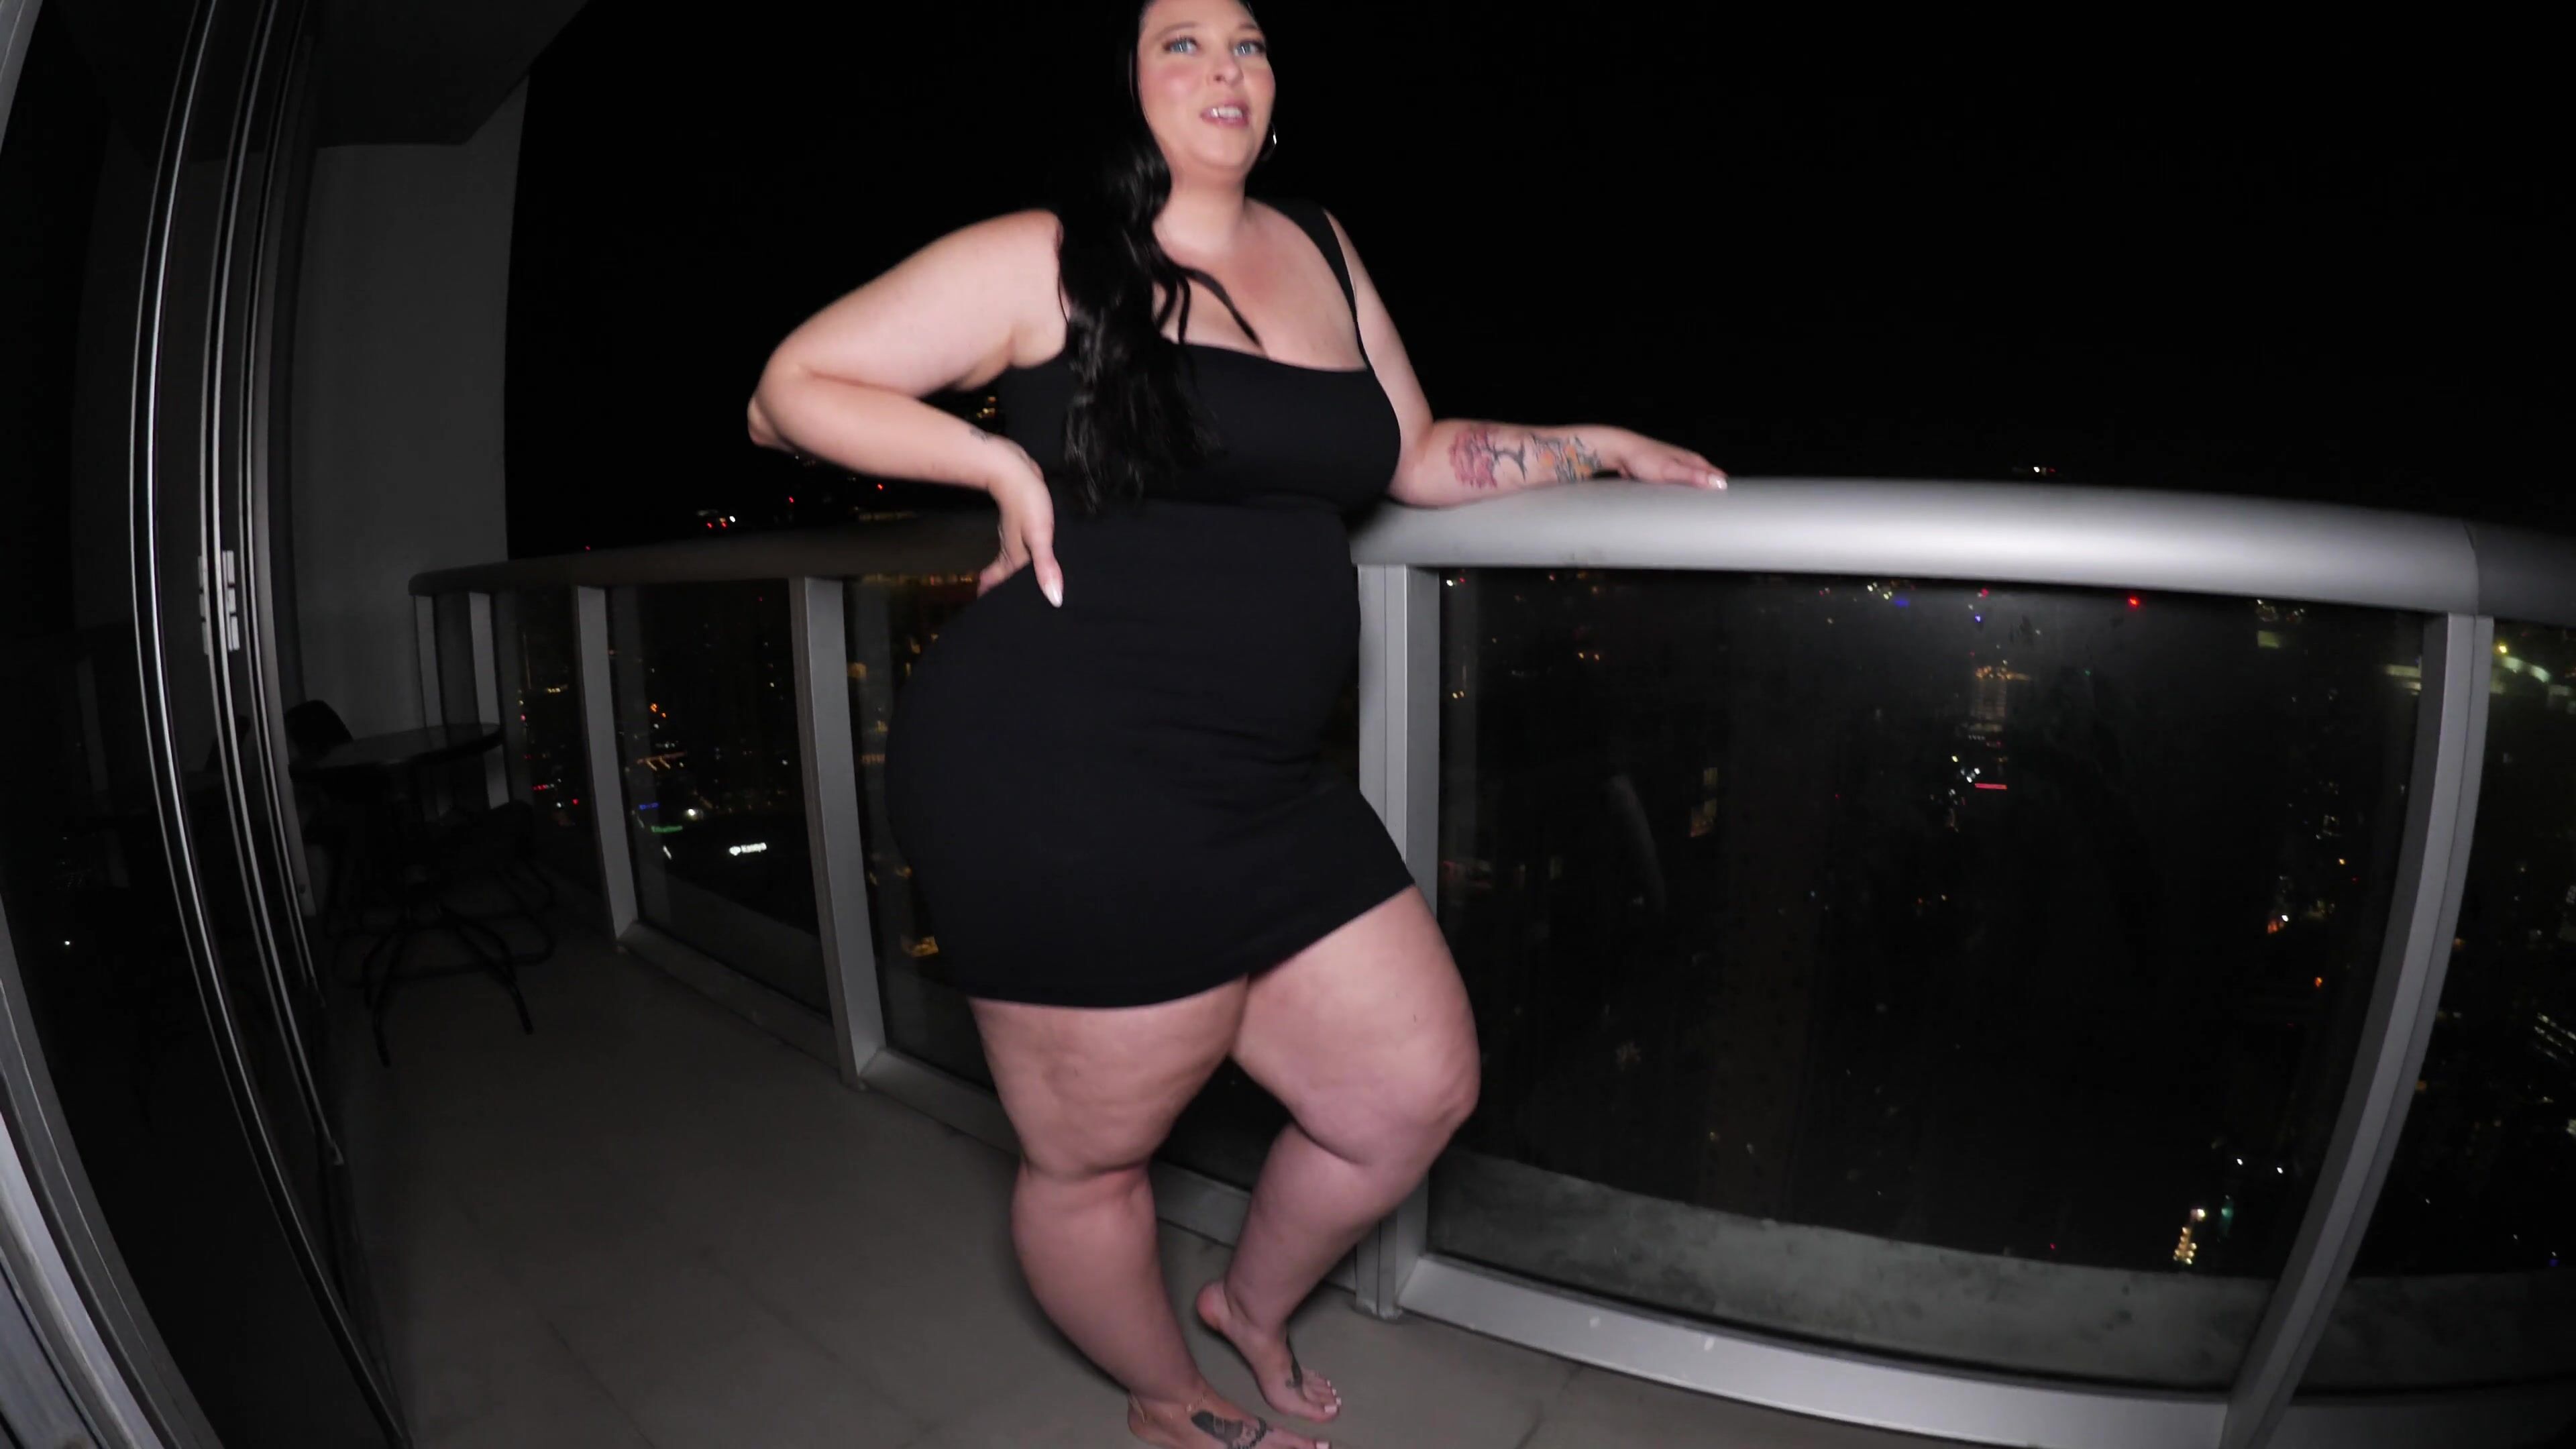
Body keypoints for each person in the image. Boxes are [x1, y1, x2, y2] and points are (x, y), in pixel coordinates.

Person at [747, 3, 1726, 1442]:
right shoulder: (1049, 255)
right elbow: (788, 395)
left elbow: (1414, 454)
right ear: (1125, 82)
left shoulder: (1322, 244)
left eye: (1250, 42)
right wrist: (999, 470)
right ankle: (1170, 1399)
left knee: (1408, 1092)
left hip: (1264, 781)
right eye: (1182, 41)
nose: (1226, 68)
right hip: (1065, 781)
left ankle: (1247, 1306)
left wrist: (1600, 445)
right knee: (1094, 1162)